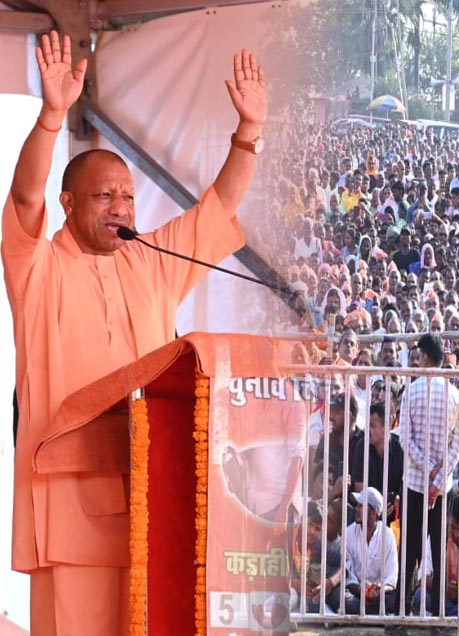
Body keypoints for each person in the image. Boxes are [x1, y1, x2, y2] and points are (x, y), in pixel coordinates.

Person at [4, 32, 266, 635]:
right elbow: (22, 196)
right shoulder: (36, 268)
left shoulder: (149, 260)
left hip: (150, 494)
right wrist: (51, 118)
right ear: (68, 203)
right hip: (70, 509)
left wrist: (248, 132)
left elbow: (217, 210)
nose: (121, 207)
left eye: (126, 195)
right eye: (104, 196)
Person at [399, 333, 459, 616]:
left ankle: (401, 612)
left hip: (415, 483)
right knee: (439, 551)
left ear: (424, 356)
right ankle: (438, 614)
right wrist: (437, 478)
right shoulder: (455, 395)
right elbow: (457, 446)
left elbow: (404, 439)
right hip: (441, 487)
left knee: (409, 550)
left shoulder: (411, 391)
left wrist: (427, 468)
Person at [343, 487, 399, 615]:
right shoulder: (349, 533)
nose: (356, 509)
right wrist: (361, 590)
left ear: (374, 512)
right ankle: (376, 616)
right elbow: (347, 572)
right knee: (344, 598)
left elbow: (392, 577)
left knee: (395, 600)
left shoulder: (387, 535)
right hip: (355, 592)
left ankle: (366, 614)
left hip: (379, 594)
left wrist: (379, 590)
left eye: (361, 506)